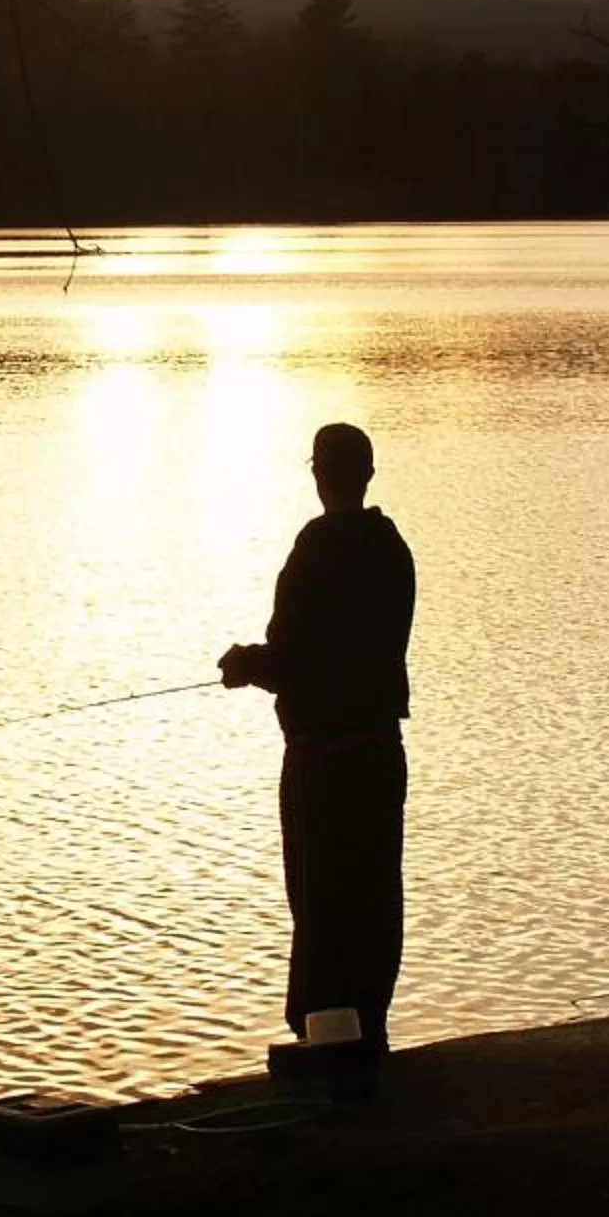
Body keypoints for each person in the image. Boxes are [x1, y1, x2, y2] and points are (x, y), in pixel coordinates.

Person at [217, 421, 418, 1051]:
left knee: (321, 902)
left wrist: (246, 664)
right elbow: (347, 652)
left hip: (323, 762)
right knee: (374, 896)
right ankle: (368, 1028)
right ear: (368, 474)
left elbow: (297, 660)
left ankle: (325, 1037)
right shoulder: (392, 549)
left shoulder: (315, 549)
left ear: (318, 475)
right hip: (379, 753)